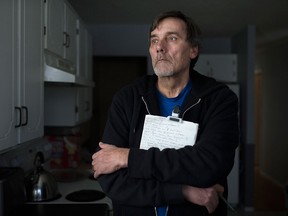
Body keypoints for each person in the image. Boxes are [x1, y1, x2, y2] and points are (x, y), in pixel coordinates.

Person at [91, 10, 239, 216]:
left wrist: (128, 157)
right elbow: (111, 179)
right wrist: (183, 191)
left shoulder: (220, 100)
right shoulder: (127, 99)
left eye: (172, 38)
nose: (160, 47)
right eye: (154, 40)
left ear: (193, 50)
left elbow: (208, 165)